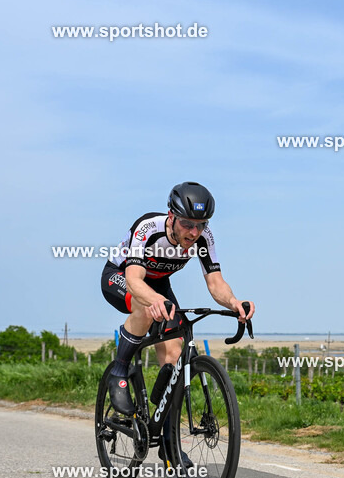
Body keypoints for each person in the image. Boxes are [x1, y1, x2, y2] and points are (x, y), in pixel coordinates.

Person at [100, 181, 255, 426]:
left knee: (174, 351)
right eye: (187, 224)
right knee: (145, 307)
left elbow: (215, 283)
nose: (194, 233)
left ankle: (167, 439)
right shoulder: (148, 228)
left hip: (159, 284)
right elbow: (134, 280)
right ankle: (119, 371)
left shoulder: (204, 238)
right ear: (171, 216)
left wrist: (233, 302)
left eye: (201, 225)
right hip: (121, 276)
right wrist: (154, 299)